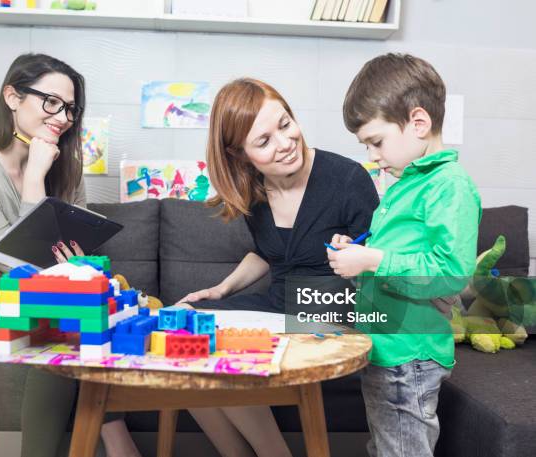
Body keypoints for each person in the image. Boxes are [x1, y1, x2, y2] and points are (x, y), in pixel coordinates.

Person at [0, 53, 140, 457]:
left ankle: (114, 439)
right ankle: (117, 444)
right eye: (50, 102)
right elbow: (18, 262)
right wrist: (36, 178)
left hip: (35, 288)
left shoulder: (68, 166)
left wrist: (76, 262)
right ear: (12, 97)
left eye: (70, 109)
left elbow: (60, 260)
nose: (62, 116)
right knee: (63, 317)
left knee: (104, 310)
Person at [178, 78, 380, 457]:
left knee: (224, 352)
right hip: (278, 306)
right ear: (239, 155)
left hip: (330, 311)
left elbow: (375, 265)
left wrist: (354, 260)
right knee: (182, 327)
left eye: (285, 124)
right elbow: (269, 254)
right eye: (264, 141)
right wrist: (221, 290)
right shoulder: (253, 188)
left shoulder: (348, 179)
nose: (285, 144)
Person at [328, 53, 482, 457]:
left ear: (418, 123)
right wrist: (359, 252)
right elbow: (400, 254)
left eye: (376, 142)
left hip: (409, 356)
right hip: (387, 348)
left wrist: (374, 261)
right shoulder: (404, 183)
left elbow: (450, 273)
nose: (373, 154)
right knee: (385, 446)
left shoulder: (450, 187)